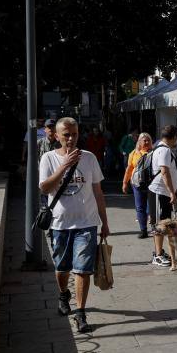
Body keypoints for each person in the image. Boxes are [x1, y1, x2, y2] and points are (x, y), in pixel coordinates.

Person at [39, 117, 110, 333]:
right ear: (57, 136)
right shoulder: (48, 158)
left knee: (82, 270)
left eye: (75, 134)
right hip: (60, 224)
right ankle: (63, 294)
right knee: (62, 268)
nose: (70, 138)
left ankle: (80, 313)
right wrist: (64, 166)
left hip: (86, 223)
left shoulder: (89, 158)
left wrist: (104, 223)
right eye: (66, 134)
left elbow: (98, 192)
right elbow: (45, 188)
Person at [149, 125, 177, 266]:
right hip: (159, 192)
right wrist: (172, 192)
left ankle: (160, 251)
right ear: (173, 137)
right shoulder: (164, 150)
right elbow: (164, 172)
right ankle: (158, 255)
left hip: (163, 192)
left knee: (163, 223)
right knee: (159, 225)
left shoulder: (162, 148)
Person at [122, 132, 153, 238]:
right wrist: (125, 182)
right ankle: (143, 230)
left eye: (148, 140)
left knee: (151, 207)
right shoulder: (133, 153)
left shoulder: (154, 153)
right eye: (144, 140)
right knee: (140, 207)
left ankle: (153, 228)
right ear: (139, 142)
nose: (147, 142)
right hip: (137, 184)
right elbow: (129, 169)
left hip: (151, 184)